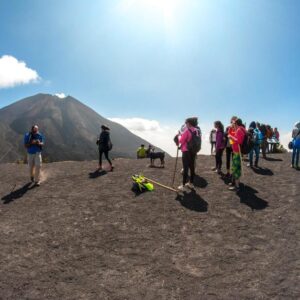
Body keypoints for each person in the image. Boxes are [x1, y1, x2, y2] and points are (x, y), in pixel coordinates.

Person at [175, 117, 199, 191]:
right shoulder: (196, 130)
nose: (185, 124)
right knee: (192, 167)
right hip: (193, 151)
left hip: (186, 151)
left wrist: (178, 136)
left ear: (189, 123)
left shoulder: (187, 131)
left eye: (186, 123)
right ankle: (191, 183)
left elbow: (181, 141)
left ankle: (183, 185)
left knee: (185, 168)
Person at [227, 118, 246, 191]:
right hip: (237, 152)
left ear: (236, 124)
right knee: (237, 168)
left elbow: (238, 141)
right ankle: (237, 182)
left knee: (236, 169)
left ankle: (237, 186)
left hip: (237, 152)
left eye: (234, 123)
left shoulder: (239, 130)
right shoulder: (241, 129)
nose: (233, 124)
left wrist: (230, 137)